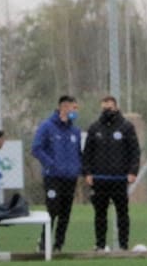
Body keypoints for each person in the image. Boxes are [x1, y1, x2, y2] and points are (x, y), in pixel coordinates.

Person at [82, 95, 141, 251]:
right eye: (105, 108)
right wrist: (87, 173)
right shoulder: (94, 128)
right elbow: (87, 152)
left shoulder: (126, 127)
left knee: (122, 212)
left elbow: (134, 151)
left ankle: (123, 245)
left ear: (116, 107)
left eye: (110, 107)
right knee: (100, 214)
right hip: (100, 179)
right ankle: (100, 245)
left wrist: (133, 171)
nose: (107, 110)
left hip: (120, 178)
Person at [31, 95, 82, 253]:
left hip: (70, 178)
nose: (75, 111)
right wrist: (51, 164)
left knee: (65, 212)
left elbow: (78, 153)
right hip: (52, 177)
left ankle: (59, 245)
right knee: (52, 209)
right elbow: (36, 148)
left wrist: (78, 169)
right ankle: (44, 242)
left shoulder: (75, 131)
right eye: (74, 108)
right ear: (64, 108)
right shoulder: (47, 126)